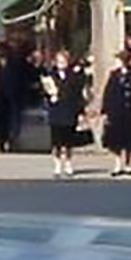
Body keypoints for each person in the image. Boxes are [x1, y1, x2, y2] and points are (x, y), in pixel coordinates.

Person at [40, 48, 89, 178]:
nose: (62, 63)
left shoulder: (73, 75)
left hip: (69, 111)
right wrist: (49, 97)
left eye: (64, 61)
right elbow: (44, 91)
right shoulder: (51, 75)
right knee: (56, 142)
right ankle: (57, 166)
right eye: (59, 61)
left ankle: (68, 164)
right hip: (56, 111)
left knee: (68, 142)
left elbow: (78, 93)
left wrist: (81, 112)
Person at [100, 50, 131, 177]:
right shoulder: (114, 75)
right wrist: (105, 110)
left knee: (128, 139)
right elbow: (108, 93)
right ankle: (117, 164)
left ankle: (127, 164)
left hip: (130, 111)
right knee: (115, 140)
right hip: (116, 111)